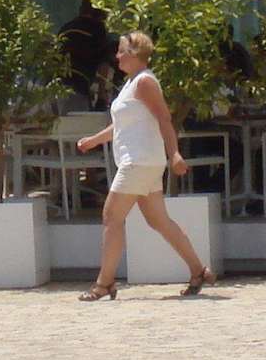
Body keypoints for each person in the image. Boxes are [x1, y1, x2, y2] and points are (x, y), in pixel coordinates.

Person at [73, 30, 216, 300]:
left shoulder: (144, 82)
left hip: (138, 162)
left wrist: (175, 153)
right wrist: (93, 141)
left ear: (135, 53)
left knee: (112, 216)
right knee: (158, 220)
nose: (117, 56)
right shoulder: (133, 83)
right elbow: (123, 125)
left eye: (121, 51)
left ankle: (104, 283)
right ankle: (199, 270)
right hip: (144, 162)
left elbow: (164, 118)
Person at [57, 0, 110, 104]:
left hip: (57, 85)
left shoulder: (66, 27)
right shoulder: (97, 29)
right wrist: (101, 94)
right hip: (79, 84)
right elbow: (103, 64)